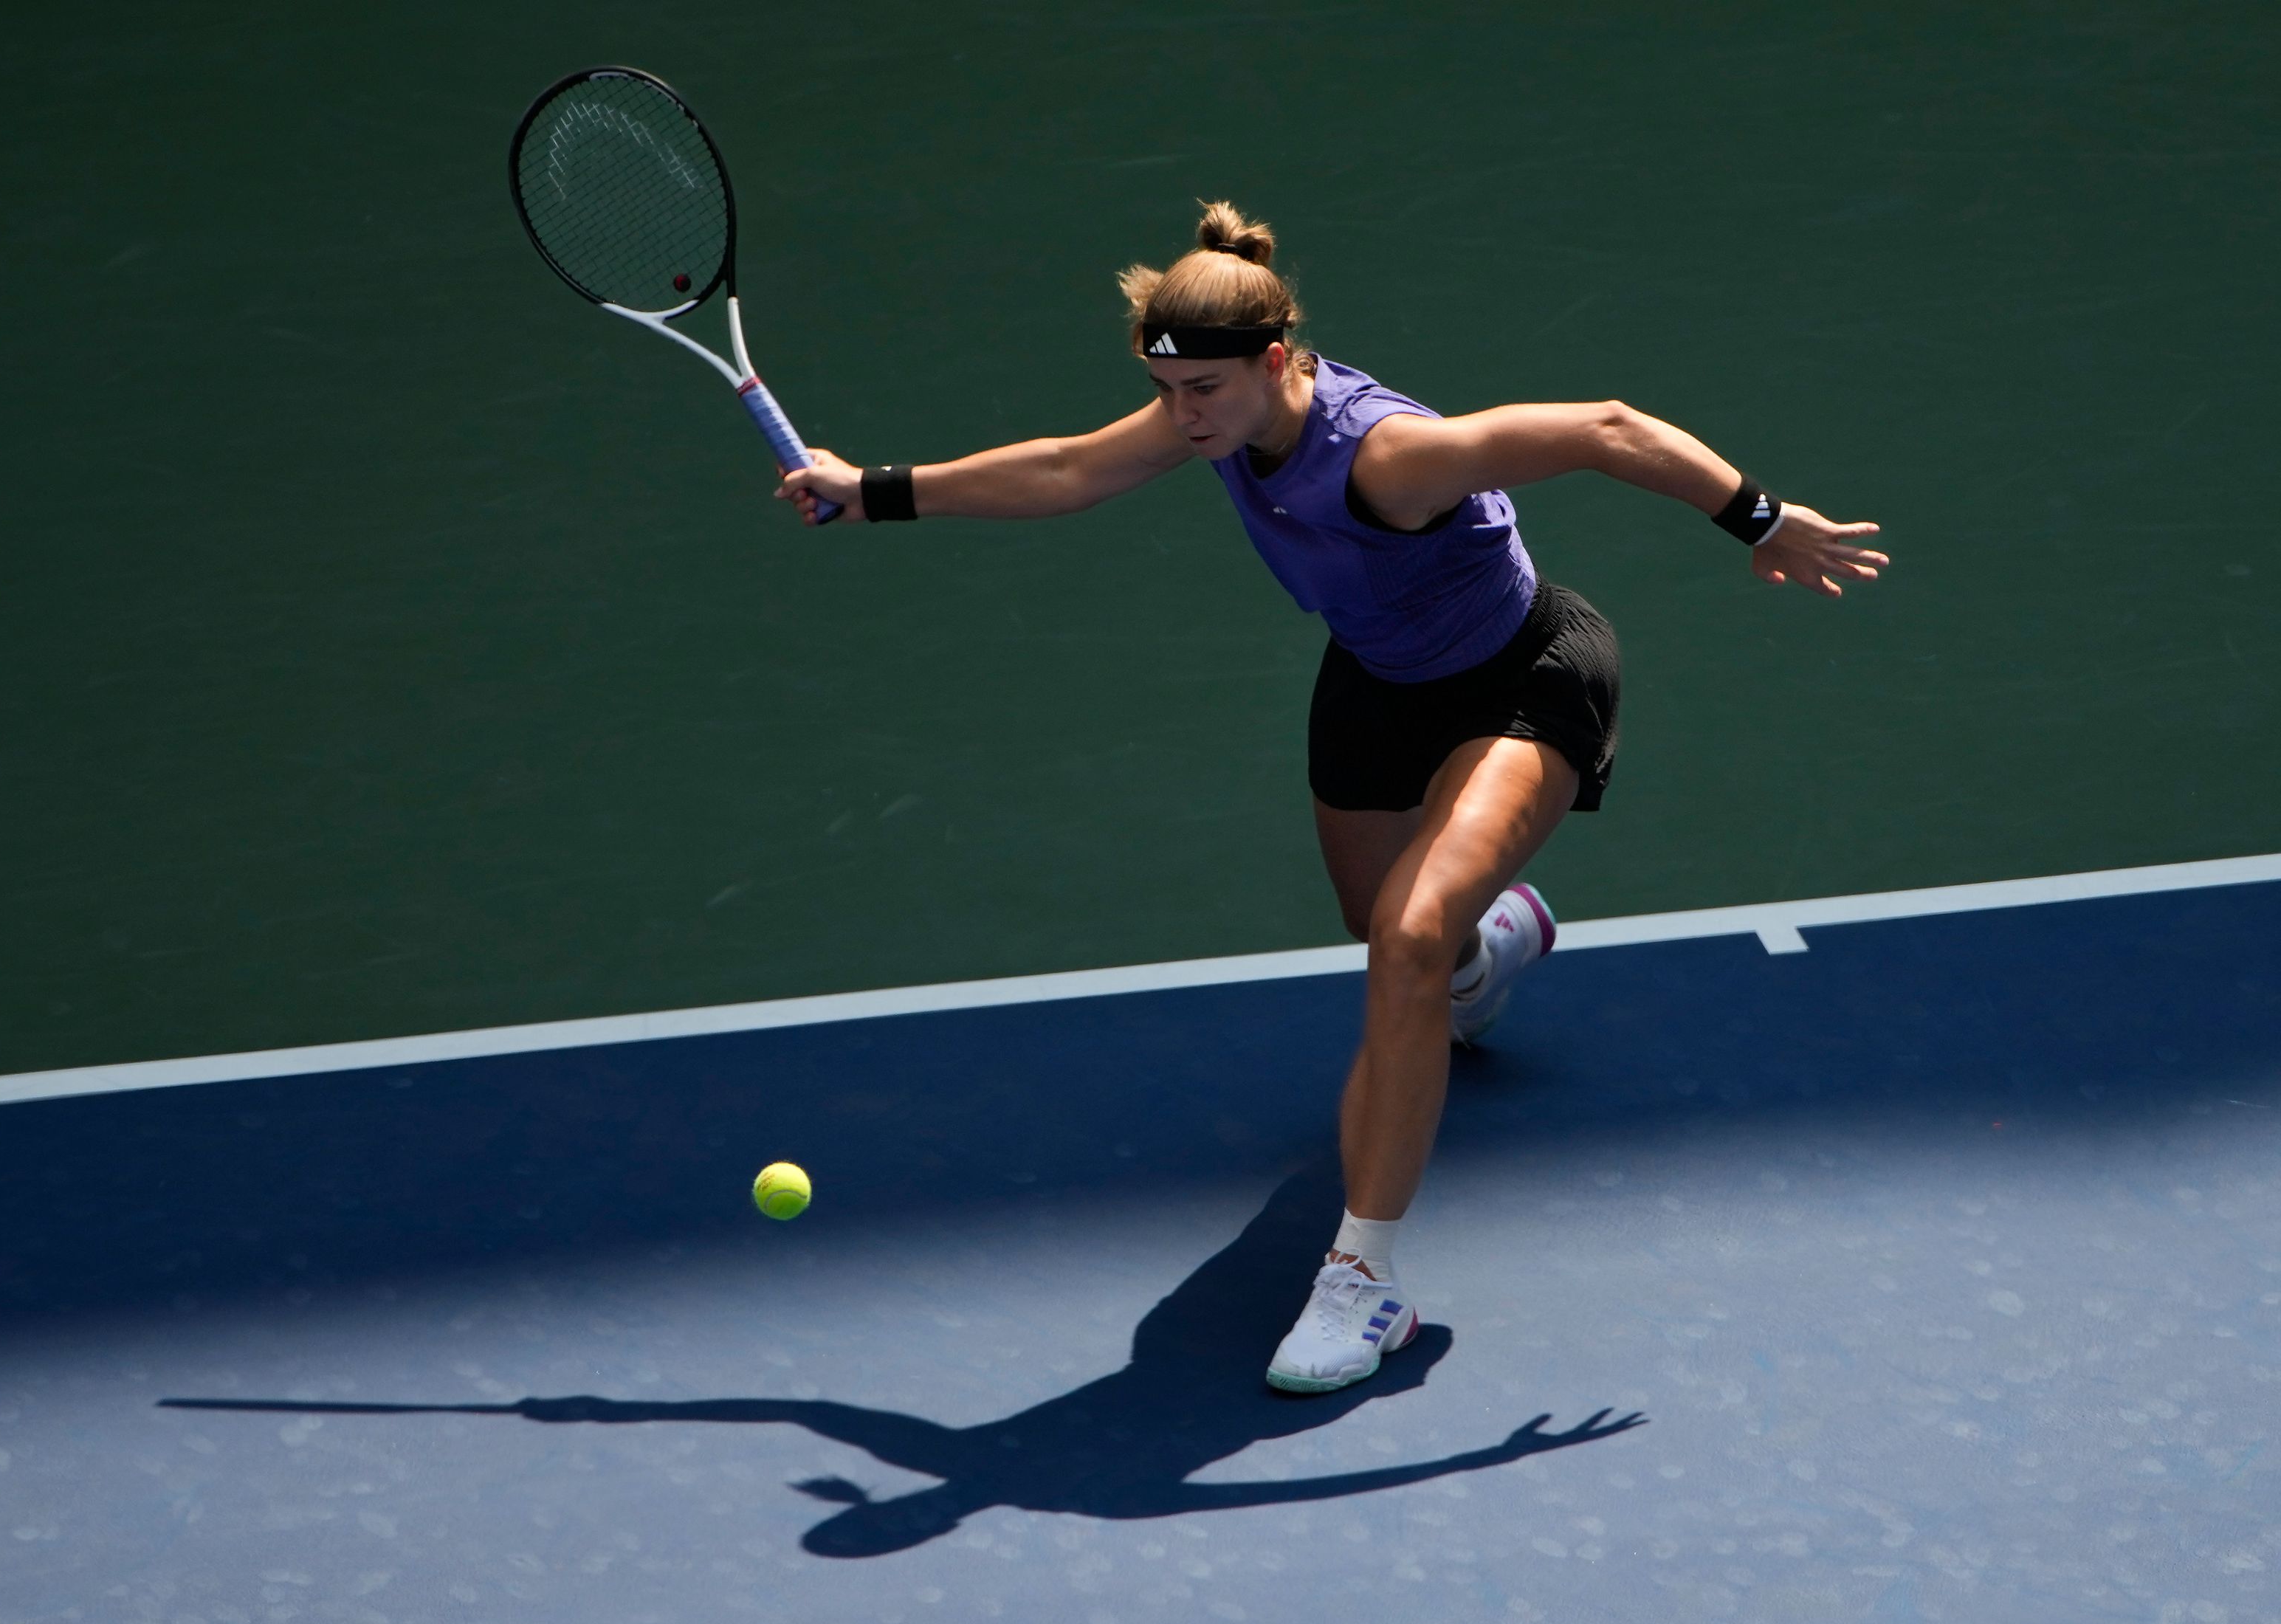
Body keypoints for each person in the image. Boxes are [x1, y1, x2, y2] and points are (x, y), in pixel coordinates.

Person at [777, 202, 1888, 1395]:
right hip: (1374, 680)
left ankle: (1364, 1281)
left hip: (1521, 681)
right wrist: (870, 488)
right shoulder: (1207, 419)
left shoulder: (1386, 456)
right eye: (1168, 391)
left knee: (1405, 940)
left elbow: (1602, 428)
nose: (1181, 414)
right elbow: (1064, 469)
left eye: (1202, 389)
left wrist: (1762, 521)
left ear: (1273, 362)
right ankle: (1491, 943)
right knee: (1391, 929)